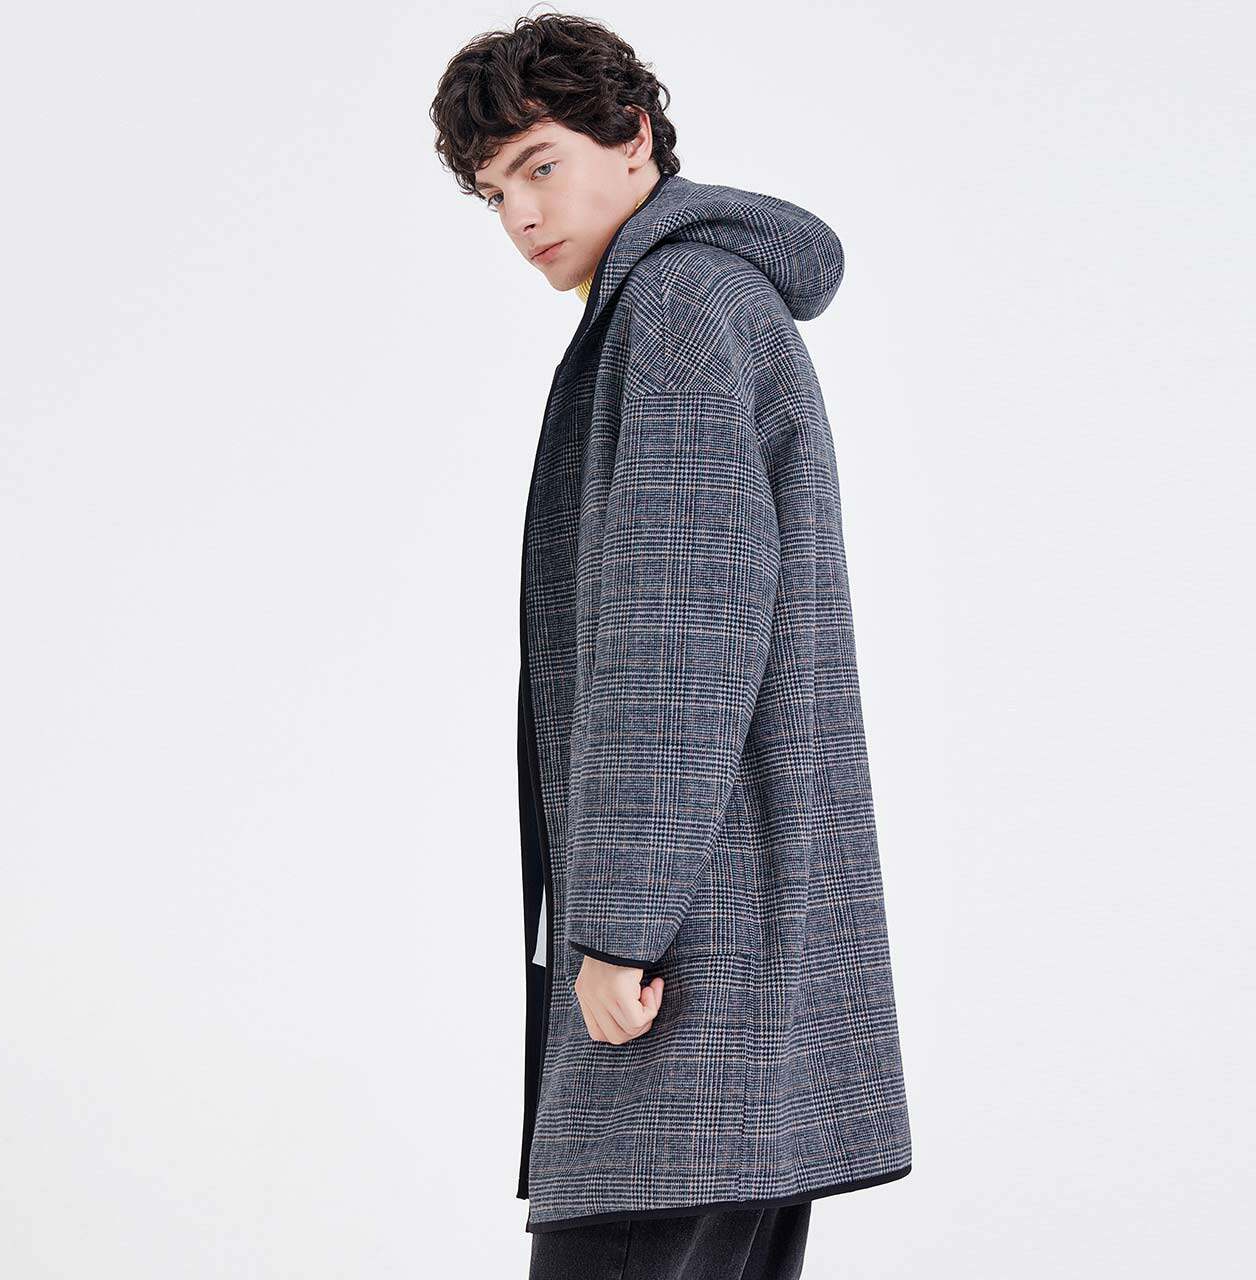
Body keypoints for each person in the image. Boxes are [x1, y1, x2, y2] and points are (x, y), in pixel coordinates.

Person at [430, 13, 913, 1278]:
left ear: (632, 137)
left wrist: (618, 929)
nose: (519, 214)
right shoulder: (697, 300)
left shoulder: (678, 307)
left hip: (682, 958)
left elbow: (679, 639)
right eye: (493, 192)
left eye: (538, 165)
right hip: (749, 933)